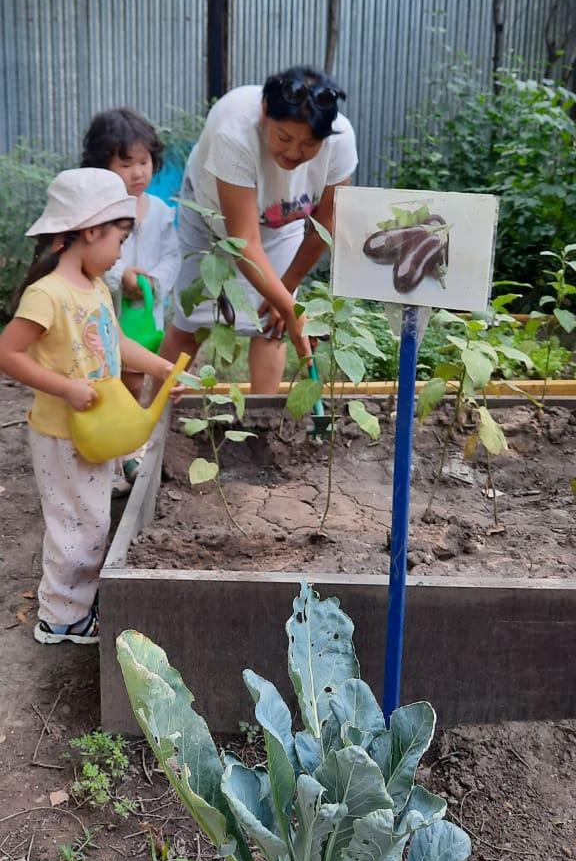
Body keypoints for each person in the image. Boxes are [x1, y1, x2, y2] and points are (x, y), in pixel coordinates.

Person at [0, 168, 182, 646]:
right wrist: (64, 387)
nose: (122, 251)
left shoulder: (96, 289)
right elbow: (8, 353)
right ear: (88, 232)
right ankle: (61, 617)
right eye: (119, 238)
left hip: (93, 431)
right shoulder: (48, 295)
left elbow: (116, 342)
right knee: (75, 524)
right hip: (62, 434)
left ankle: (76, 602)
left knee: (93, 518)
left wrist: (162, 369)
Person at [161, 66, 358, 392]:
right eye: (284, 137)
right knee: (189, 321)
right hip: (212, 216)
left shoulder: (341, 140)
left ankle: (261, 425)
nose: (295, 152)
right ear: (265, 114)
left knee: (273, 326)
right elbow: (244, 241)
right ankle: (154, 425)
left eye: (309, 144)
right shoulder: (235, 132)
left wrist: (287, 292)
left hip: (282, 221)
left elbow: (325, 223)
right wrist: (291, 306)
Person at [82, 108, 180, 484]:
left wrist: (153, 282)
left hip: (144, 317)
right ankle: (112, 453)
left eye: (145, 161)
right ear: (101, 165)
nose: (139, 172)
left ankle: (127, 453)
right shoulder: (97, 215)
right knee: (105, 381)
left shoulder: (158, 211)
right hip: (104, 315)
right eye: (127, 163)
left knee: (136, 382)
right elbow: (88, 262)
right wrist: (120, 275)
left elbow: (172, 255)